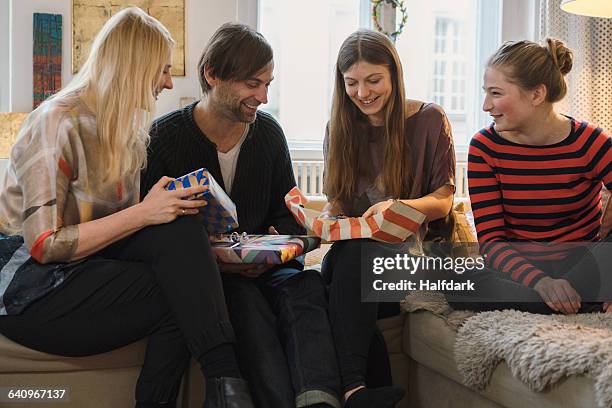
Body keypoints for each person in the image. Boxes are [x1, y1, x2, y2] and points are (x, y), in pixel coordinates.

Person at [0, 8, 255, 408]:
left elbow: (126, 236)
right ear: (133, 67)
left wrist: (183, 226)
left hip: (88, 271)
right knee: (181, 281)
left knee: (182, 247)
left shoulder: (124, 131)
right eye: (163, 70)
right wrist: (144, 212)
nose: (169, 83)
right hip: (30, 291)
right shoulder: (57, 122)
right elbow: (44, 245)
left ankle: (225, 386)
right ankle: (227, 383)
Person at [141, 23, 341, 408]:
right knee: (245, 304)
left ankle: (319, 401)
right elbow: (153, 233)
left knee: (308, 289)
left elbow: (288, 213)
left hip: (269, 267)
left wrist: (274, 242)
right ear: (212, 75)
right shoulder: (164, 139)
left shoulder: (268, 134)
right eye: (253, 84)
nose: (263, 97)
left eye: (267, 84)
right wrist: (223, 260)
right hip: (212, 278)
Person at [321, 29, 456, 408]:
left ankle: (351, 388)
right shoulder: (339, 129)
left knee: (339, 282)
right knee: (346, 262)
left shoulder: (429, 119)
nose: (363, 93)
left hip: (411, 258)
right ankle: (360, 394)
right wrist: (325, 219)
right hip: (358, 261)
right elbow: (337, 203)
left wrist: (401, 206)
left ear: (394, 75)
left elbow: (445, 199)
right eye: (352, 83)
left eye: (373, 80)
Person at [464, 38, 612, 315]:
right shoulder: (484, 147)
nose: (486, 105)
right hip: (519, 269)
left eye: (496, 93)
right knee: (460, 281)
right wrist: (541, 282)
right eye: (486, 93)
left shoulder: (590, 141)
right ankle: (571, 299)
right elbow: (492, 241)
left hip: (582, 263)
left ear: (536, 94)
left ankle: (563, 297)